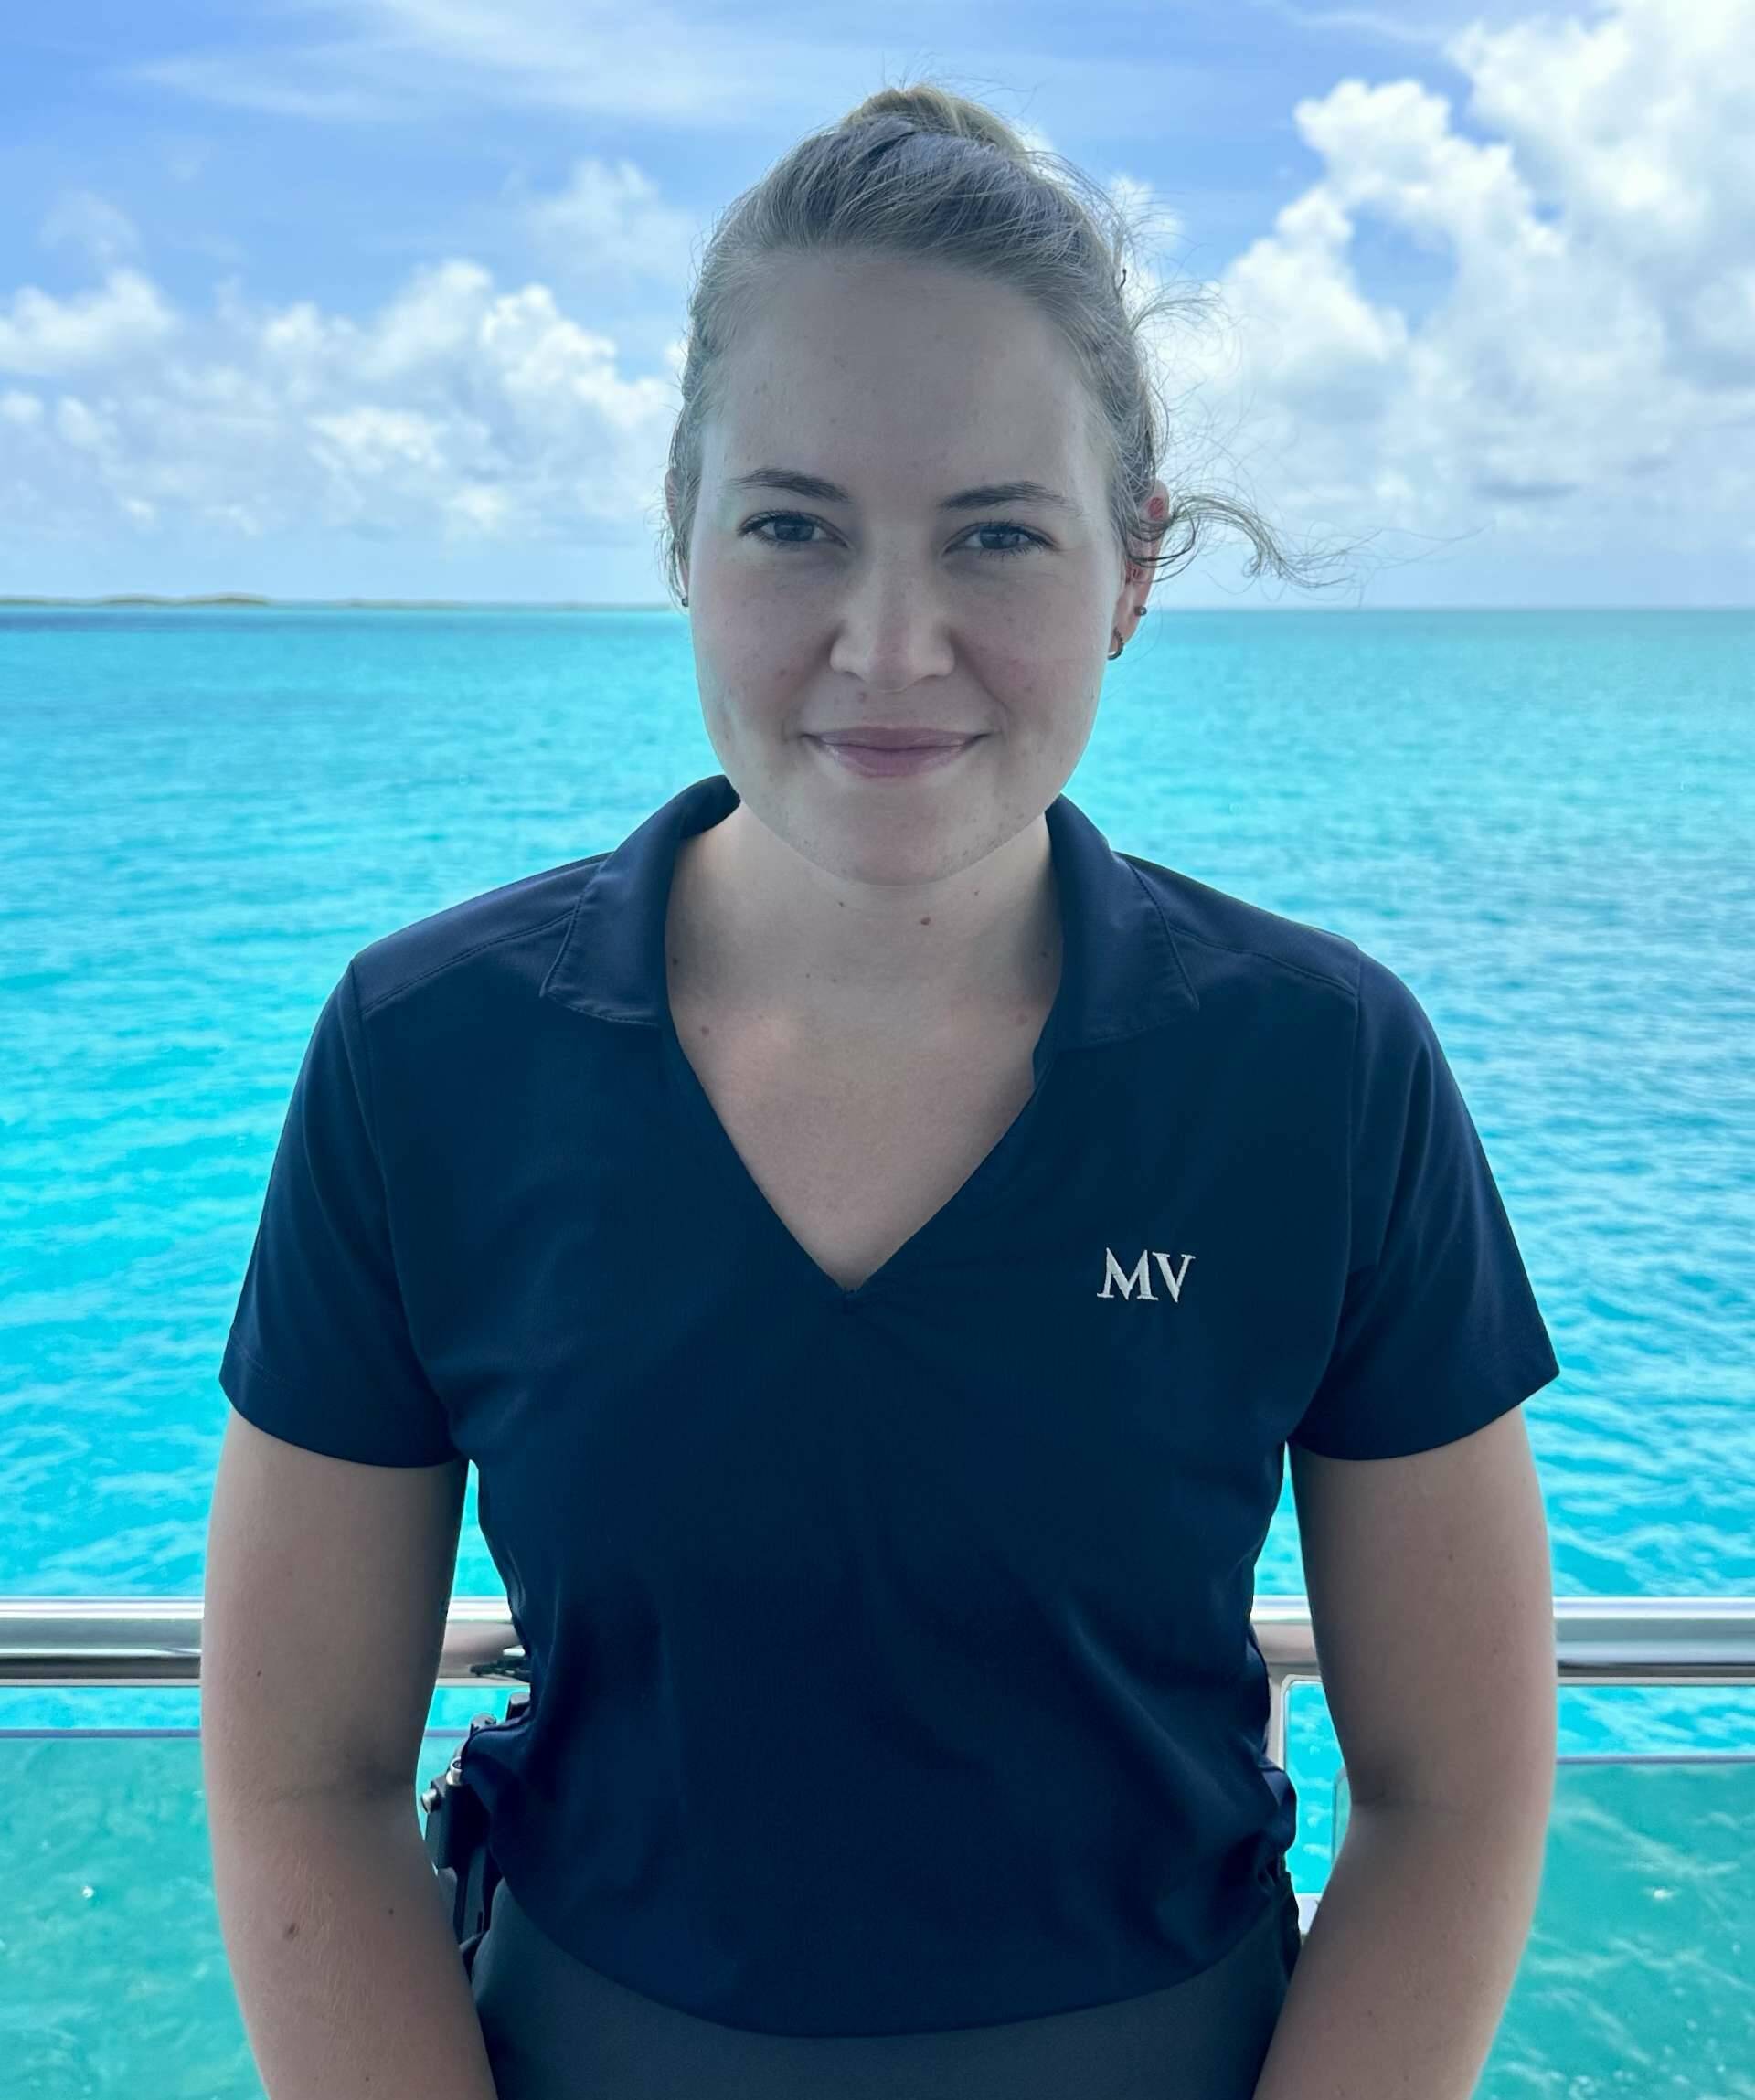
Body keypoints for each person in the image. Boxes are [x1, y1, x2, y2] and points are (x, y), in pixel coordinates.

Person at [211, 80, 1561, 2100]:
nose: (893, 644)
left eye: (997, 535)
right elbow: (304, 1772)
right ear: (682, 540)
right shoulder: (426, 1058)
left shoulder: (1320, 1071)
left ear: (1131, 568)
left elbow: (1455, 1791)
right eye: (795, 527)